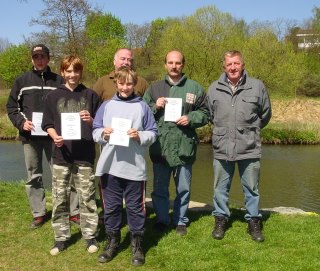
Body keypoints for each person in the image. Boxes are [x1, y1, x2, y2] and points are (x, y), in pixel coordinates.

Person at [6, 44, 79, 229]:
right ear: (32, 59)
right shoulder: (22, 81)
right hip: (30, 137)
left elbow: (68, 103)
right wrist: (22, 123)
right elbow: (12, 108)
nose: (39, 59)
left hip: (55, 136)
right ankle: (38, 213)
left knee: (62, 173)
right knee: (34, 175)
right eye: (36, 56)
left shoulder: (58, 80)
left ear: (48, 58)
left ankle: (70, 211)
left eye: (42, 56)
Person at [92, 67, 157, 266]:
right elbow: (95, 131)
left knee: (136, 209)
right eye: (122, 83)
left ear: (134, 83)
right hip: (110, 167)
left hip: (134, 168)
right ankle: (112, 241)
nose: (126, 87)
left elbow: (153, 133)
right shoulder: (106, 105)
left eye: (129, 83)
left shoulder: (143, 107)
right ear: (117, 83)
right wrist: (104, 133)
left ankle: (137, 244)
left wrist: (140, 136)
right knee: (110, 208)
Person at [207, 50, 272, 242]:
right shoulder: (213, 88)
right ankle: (220, 219)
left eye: (236, 63)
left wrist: (252, 129)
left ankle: (253, 222)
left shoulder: (257, 86)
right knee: (220, 188)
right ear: (224, 67)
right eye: (229, 64)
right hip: (222, 147)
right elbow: (211, 115)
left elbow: (265, 114)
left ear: (243, 65)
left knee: (252, 188)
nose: (233, 67)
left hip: (249, 147)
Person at [143, 50, 209, 236]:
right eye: (170, 62)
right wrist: (155, 106)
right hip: (160, 148)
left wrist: (191, 118)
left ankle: (181, 220)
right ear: (165, 64)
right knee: (160, 188)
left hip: (184, 148)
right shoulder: (154, 88)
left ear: (183, 65)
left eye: (178, 63)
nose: (174, 66)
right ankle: (162, 219)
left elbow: (206, 113)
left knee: (183, 188)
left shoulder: (194, 88)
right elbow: (142, 111)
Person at [41, 55, 100, 255]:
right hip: (61, 155)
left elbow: (99, 126)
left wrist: (91, 120)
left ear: (80, 72)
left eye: (76, 71)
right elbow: (47, 123)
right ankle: (61, 238)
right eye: (68, 71)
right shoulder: (53, 96)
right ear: (63, 72)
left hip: (85, 155)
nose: (72, 74)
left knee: (87, 197)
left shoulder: (91, 95)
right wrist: (55, 136)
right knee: (59, 198)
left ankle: (90, 235)